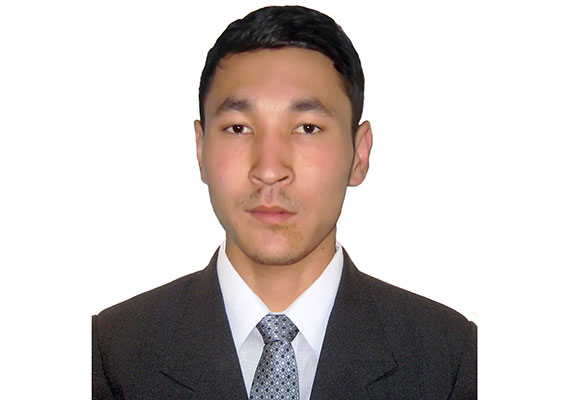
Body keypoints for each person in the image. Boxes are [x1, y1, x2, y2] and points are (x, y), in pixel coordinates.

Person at [92, 5, 477, 399]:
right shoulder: (112, 354)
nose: (269, 169)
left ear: (358, 156)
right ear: (200, 150)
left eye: (307, 128)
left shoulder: (449, 359)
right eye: (238, 128)